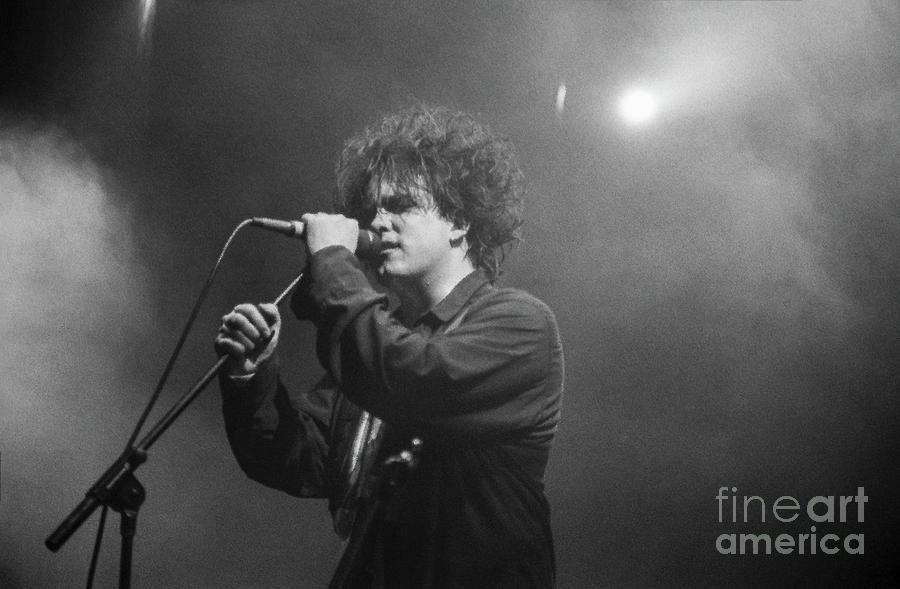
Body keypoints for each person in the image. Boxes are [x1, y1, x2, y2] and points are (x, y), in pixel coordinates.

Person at [215, 105, 564, 589]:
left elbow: (410, 379)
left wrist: (334, 259)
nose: (377, 222)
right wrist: (252, 377)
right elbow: (298, 461)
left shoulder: (520, 324)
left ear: (459, 222)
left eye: (400, 205)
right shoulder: (377, 340)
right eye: (373, 209)